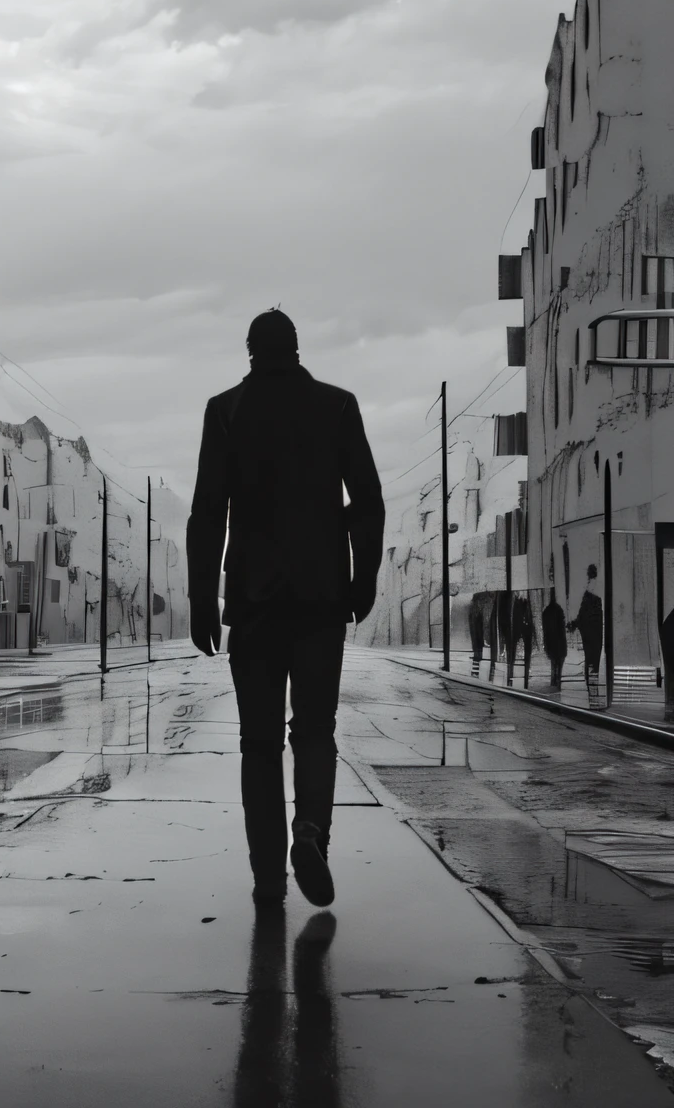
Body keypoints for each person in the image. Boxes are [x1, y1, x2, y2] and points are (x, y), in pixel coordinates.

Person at [186, 310, 385, 909]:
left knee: (259, 741)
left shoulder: (225, 410)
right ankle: (311, 833)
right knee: (316, 731)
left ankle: (268, 872)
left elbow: (207, 511)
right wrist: (362, 577)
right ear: (296, 348)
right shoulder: (338, 405)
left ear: (250, 351)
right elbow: (368, 499)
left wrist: (202, 599)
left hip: (252, 601)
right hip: (323, 597)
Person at [568, 563, 603, 689]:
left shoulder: (588, 591)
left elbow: (582, 613)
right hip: (596, 630)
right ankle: (593, 681)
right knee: (595, 657)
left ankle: (590, 682)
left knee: (589, 657)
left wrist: (575, 624)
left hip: (588, 631)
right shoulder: (597, 589)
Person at [542, 589, 568, 689]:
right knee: (559, 663)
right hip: (559, 642)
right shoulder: (559, 610)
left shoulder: (546, 612)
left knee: (553, 663)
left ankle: (554, 681)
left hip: (551, 642)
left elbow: (545, 631)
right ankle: (558, 681)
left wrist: (546, 644)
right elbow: (562, 629)